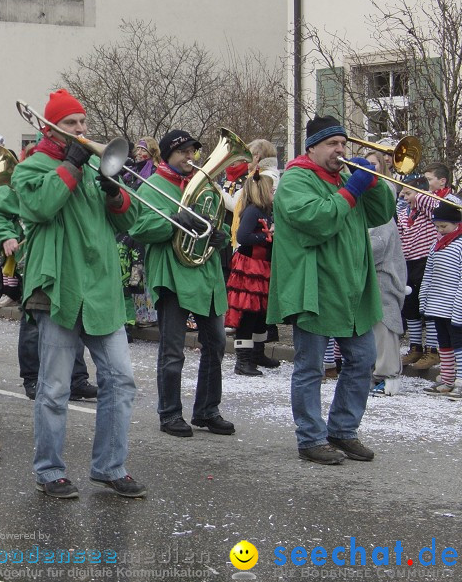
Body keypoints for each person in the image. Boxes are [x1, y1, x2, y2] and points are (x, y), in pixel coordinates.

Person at [12, 89, 143, 500]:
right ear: (50, 126)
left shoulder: (94, 167)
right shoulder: (31, 168)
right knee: (54, 389)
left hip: (102, 291)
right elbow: (40, 206)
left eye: (84, 123)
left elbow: (133, 219)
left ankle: (110, 466)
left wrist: (112, 189)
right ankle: (49, 471)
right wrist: (70, 164)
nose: (82, 130)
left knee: (121, 379)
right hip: (60, 290)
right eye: (72, 123)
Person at [267, 115, 395, 465]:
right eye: (332, 144)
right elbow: (317, 220)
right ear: (312, 148)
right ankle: (310, 438)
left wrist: (374, 182)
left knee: (363, 361)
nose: (340, 150)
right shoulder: (295, 179)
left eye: (343, 143)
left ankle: (343, 429)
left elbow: (382, 213)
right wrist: (352, 189)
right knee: (311, 367)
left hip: (352, 290)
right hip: (316, 289)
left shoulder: (343, 177)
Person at [129, 129, 235, 438]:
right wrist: (176, 220)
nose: (190, 158)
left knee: (216, 343)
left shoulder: (203, 185)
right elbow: (140, 226)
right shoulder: (153, 186)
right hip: (173, 274)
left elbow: (219, 222)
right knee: (173, 348)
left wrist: (221, 237)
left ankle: (207, 410)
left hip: (206, 273)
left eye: (193, 152)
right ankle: (170, 412)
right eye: (183, 152)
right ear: (166, 155)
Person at [0, 170, 98, 402]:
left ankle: (76, 379)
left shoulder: (78, 171)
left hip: (70, 260)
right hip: (38, 260)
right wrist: (6, 235)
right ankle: (32, 378)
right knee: (33, 321)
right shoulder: (30, 174)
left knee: (72, 317)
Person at [362, 150, 405, 397]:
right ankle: (375, 372)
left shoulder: (383, 214)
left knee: (384, 326)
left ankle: (387, 375)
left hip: (384, 276)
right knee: (373, 327)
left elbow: (377, 245)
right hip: (371, 276)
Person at [225, 169, 275, 376]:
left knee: (260, 312)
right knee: (248, 312)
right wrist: (267, 237)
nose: (274, 192)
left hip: (261, 266)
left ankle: (257, 354)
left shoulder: (266, 210)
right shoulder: (253, 211)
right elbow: (243, 236)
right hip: (249, 267)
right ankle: (243, 360)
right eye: (271, 189)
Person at [418, 202, 462, 396]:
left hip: (454, 304)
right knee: (443, 343)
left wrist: (458, 307)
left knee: (458, 343)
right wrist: (424, 299)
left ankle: (460, 379)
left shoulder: (460, 244)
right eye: (437, 226)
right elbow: (428, 273)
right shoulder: (436, 245)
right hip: (437, 304)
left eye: (444, 226)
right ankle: (447, 378)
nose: (440, 230)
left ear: (456, 224)